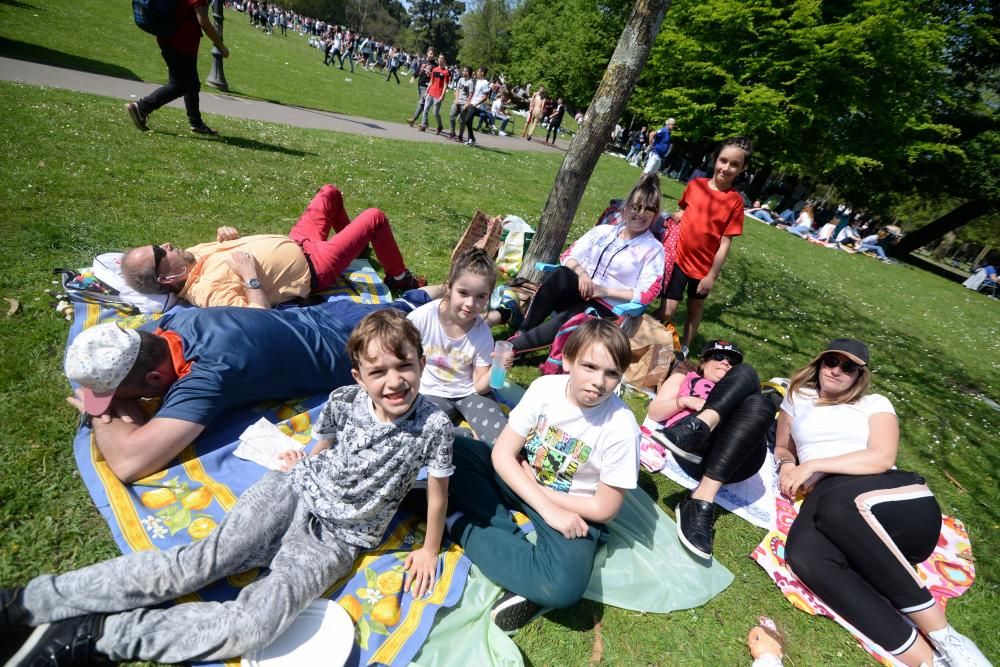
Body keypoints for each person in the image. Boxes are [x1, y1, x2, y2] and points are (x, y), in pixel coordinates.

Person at [2, 310, 455, 666]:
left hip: (339, 536)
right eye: (378, 372)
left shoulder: (433, 425)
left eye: (405, 366)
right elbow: (327, 435)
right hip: (293, 489)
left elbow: (437, 492)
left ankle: (99, 637)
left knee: (257, 624)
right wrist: (308, 458)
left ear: (421, 362)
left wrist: (431, 548)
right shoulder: (343, 398)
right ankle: (28, 602)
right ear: (358, 377)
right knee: (201, 562)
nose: (394, 381)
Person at [60, 283, 435, 483]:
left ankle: (488, 306)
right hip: (330, 311)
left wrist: (103, 415)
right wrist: (109, 396)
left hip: (361, 343)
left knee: (441, 325)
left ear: (156, 378)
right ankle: (436, 292)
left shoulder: (207, 374)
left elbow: (129, 463)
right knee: (410, 304)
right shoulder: (173, 324)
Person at [775, 339, 989, 667]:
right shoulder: (797, 397)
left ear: (859, 376)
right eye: (832, 362)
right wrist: (788, 465)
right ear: (819, 362)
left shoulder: (874, 402)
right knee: (804, 555)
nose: (837, 371)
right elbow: (784, 448)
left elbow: (881, 456)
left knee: (837, 505)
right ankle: (928, 662)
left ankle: (948, 637)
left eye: (849, 368)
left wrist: (815, 464)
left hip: (891, 499)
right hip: (829, 503)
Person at [447, 319, 640, 632]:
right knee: (452, 451)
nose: (598, 382)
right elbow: (502, 454)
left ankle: (459, 524)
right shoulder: (544, 389)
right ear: (567, 360)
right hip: (520, 479)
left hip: (574, 509)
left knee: (562, 588)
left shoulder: (621, 427)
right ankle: (507, 540)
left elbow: (604, 509)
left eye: (611, 374)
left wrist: (549, 503)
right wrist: (541, 501)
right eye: (589, 366)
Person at [121, 184, 425, 308]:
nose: (166, 244)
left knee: (329, 193)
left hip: (298, 242)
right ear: (167, 278)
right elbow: (258, 321)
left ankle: (355, 249)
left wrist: (229, 236)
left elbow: (234, 251)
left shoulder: (189, 255)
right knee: (375, 218)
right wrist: (250, 276)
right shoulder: (207, 292)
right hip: (315, 267)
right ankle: (399, 277)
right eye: (160, 252)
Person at [644, 341, 773, 559]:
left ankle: (702, 424)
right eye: (718, 357)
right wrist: (685, 401)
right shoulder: (684, 379)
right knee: (750, 379)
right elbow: (655, 412)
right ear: (702, 363)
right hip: (693, 450)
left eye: (732, 362)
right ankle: (699, 498)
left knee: (760, 401)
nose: (726, 363)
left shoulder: (746, 397)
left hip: (739, 461)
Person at [509, 175, 665, 354]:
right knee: (561, 274)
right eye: (636, 207)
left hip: (609, 308)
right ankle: (523, 331)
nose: (640, 213)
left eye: (648, 209)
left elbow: (648, 293)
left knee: (577, 313)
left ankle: (513, 349)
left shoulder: (653, 249)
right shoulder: (604, 232)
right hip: (581, 291)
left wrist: (603, 291)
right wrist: (582, 274)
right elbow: (568, 255)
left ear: (656, 214)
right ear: (626, 207)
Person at [656, 137, 752, 357]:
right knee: (668, 310)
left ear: (742, 168)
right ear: (715, 159)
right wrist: (680, 214)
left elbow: (726, 241)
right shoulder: (695, 185)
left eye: (734, 164)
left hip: (704, 269)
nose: (726, 168)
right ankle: (644, 336)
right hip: (679, 259)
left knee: (694, 310)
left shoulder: (735, 201)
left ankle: (686, 347)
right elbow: (685, 209)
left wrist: (711, 276)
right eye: (723, 160)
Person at [407, 249, 510, 444]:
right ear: (449, 287)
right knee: (411, 428)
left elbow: (480, 386)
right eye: (463, 293)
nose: (471, 304)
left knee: (502, 440)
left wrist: (499, 366)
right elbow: (398, 356)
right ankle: (467, 438)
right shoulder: (422, 318)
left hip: (469, 394)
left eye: (481, 297)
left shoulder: (482, 333)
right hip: (431, 392)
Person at [125, 0, 229, 136]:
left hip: (172, 38)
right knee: (179, 85)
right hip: (180, 42)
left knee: (192, 83)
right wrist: (220, 46)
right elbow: (203, 20)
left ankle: (196, 123)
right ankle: (141, 107)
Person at [415, 54, 450, 134]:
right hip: (430, 93)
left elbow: (445, 85)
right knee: (425, 109)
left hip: (438, 95)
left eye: (442, 58)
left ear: (445, 61)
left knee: (435, 113)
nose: (439, 59)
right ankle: (423, 126)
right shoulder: (435, 69)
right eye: (439, 57)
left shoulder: (446, 72)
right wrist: (427, 91)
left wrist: (442, 96)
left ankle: (440, 126)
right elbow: (431, 81)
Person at [462, 66, 492, 147]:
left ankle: (472, 138)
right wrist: (469, 102)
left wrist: (476, 104)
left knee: (467, 121)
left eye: (478, 71)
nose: (477, 72)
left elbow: (485, 97)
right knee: (469, 122)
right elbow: (475, 94)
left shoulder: (485, 83)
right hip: (472, 104)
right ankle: (470, 140)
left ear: (482, 73)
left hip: (476, 106)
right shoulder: (478, 81)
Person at [449, 66, 474, 139]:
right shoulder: (460, 79)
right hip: (457, 101)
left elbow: (471, 94)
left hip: (464, 103)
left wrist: (467, 103)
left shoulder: (471, 82)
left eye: (465, 71)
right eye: (463, 71)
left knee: (461, 121)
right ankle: (452, 132)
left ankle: (460, 136)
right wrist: (456, 99)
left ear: (468, 73)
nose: (463, 72)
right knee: (451, 116)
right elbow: (457, 90)